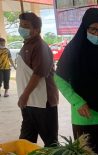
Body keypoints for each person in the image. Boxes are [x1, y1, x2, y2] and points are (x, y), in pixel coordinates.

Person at [55, 8, 98, 155]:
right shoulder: (74, 49)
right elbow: (59, 78)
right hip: (83, 115)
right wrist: (77, 102)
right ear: (85, 28)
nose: (97, 34)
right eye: (92, 29)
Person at [16, 12, 58, 147]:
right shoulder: (27, 44)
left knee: (50, 143)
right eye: (21, 25)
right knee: (25, 141)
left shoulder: (40, 46)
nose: (22, 28)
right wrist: (25, 97)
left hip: (43, 103)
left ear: (36, 30)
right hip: (29, 103)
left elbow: (38, 74)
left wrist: (24, 95)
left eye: (26, 26)